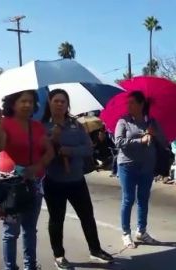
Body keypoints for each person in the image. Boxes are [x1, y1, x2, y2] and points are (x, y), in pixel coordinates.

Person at [42, 89, 113, 269]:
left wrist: (69, 151)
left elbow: (88, 148)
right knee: (56, 220)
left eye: (63, 101)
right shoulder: (42, 127)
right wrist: (52, 140)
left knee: (87, 216)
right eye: (56, 101)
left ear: (67, 105)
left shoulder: (76, 125)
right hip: (54, 181)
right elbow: (40, 153)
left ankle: (95, 250)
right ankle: (59, 255)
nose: (60, 104)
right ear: (49, 103)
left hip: (76, 180)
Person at [0, 90, 54, 270]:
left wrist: (37, 166)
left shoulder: (37, 126)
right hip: (11, 187)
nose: (28, 105)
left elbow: (49, 152)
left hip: (34, 184)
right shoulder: (5, 123)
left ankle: (30, 266)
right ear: (12, 104)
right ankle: (10, 267)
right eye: (23, 101)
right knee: (11, 231)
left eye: (31, 102)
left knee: (30, 229)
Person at [115, 91, 167, 249]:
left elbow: (164, 141)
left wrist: (155, 134)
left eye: (132, 102)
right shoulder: (123, 121)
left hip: (147, 166)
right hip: (127, 166)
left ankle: (141, 231)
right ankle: (125, 233)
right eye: (128, 103)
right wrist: (140, 140)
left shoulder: (151, 122)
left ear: (141, 104)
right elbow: (118, 142)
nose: (128, 105)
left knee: (143, 199)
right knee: (128, 199)